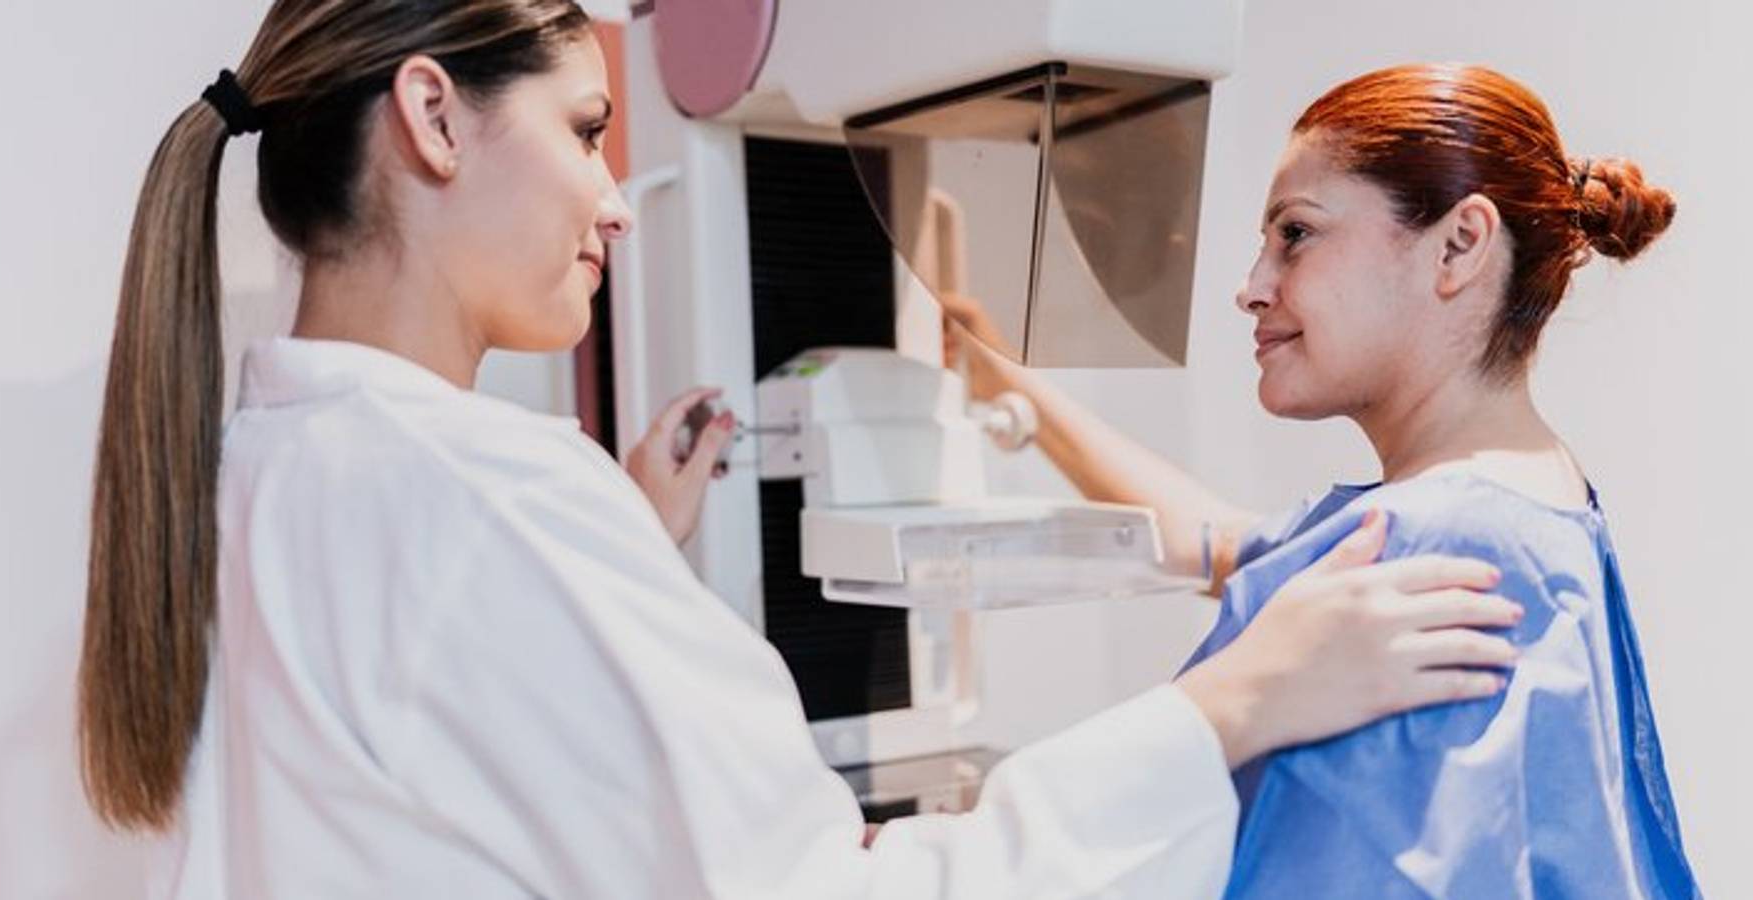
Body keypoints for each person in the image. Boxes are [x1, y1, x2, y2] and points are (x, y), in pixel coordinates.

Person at [76, 5, 1526, 897]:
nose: (614, 194)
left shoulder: (250, 469)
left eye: (1296, 234)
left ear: (1466, 254)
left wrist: (617, 556)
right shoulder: (490, 506)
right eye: (587, 129)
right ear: (434, 118)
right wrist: (1224, 710)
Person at [948, 64, 1697, 897]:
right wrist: (1004, 382)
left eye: (1295, 235)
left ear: (1460, 245)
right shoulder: (1527, 504)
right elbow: (1215, 542)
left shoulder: (1434, 545)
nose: (1251, 287)